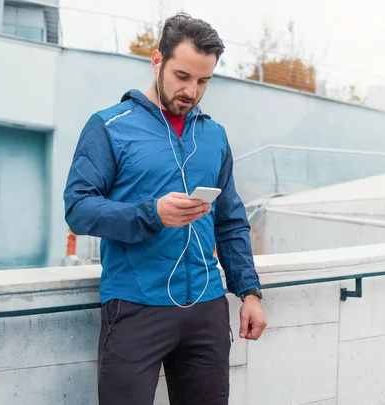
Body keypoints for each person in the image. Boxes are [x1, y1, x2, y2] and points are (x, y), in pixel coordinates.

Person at [63, 12, 267, 405]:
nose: (192, 91)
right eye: (182, 76)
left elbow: (230, 221)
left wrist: (250, 292)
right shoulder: (109, 126)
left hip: (207, 309)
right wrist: (150, 213)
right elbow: (79, 208)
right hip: (135, 307)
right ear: (157, 61)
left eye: (203, 80)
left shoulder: (214, 135)